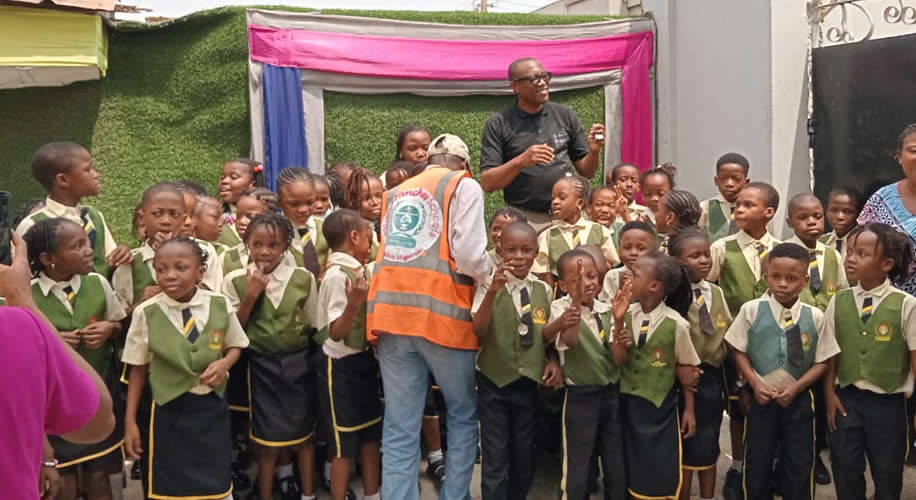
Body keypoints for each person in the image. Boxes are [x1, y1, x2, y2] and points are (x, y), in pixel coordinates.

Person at [367, 133, 491, 500]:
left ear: (428, 162)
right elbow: (468, 255)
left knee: (400, 424)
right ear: (464, 165)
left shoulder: (395, 192)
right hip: (444, 320)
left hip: (391, 317)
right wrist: (488, 274)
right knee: (462, 414)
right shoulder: (464, 185)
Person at [122, 236, 247, 500]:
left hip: (211, 410)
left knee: (215, 484)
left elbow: (236, 345)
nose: (169, 275)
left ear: (200, 272)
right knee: (170, 486)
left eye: (180, 267)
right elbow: (138, 369)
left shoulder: (219, 304)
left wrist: (224, 363)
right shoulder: (146, 312)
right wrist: (130, 421)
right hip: (168, 413)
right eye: (161, 269)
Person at [0, 231, 116, 500]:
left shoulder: (96, 284)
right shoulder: (16, 325)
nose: (89, 250)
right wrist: (23, 301)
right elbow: (98, 420)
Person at [725, 243, 839, 500]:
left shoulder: (815, 316)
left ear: (805, 281)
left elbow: (823, 360)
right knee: (757, 462)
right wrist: (755, 383)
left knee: (800, 462)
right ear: (766, 277)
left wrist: (797, 387)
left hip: (799, 399)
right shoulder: (751, 310)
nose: (783, 284)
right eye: (776, 277)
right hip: (761, 399)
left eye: (791, 278)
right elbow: (737, 348)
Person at [24, 218, 128, 500]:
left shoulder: (97, 283)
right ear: (49, 259)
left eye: (87, 242)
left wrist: (110, 328)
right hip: (54, 408)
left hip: (98, 398)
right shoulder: (26, 295)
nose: (89, 250)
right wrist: (50, 341)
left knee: (100, 480)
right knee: (63, 485)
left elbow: (120, 324)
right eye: (77, 246)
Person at [221, 213, 319, 500]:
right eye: (257, 244)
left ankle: (309, 494)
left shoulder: (302, 278)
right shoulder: (235, 280)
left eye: (273, 245)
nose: (265, 251)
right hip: (260, 368)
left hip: (298, 365)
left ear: (286, 246)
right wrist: (251, 295)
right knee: (266, 441)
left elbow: (314, 323)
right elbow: (233, 330)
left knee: (304, 436)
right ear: (247, 244)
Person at [824, 223, 916, 500]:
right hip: (845, 399)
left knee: (887, 473)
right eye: (850, 251)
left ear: (886, 264)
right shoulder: (838, 301)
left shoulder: (906, 304)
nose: (850, 258)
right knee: (845, 468)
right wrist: (829, 394)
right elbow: (830, 353)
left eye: (862, 254)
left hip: (888, 404)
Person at [707, 181, 781, 499]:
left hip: (773, 345)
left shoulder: (781, 249)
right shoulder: (722, 248)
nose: (739, 209)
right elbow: (707, 293)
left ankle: (768, 466)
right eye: (737, 204)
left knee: (772, 405)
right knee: (738, 408)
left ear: (769, 212)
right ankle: (737, 467)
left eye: (749, 204)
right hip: (734, 346)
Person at [473, 222, 556, 500]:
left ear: (536, 252)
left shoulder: (543, 290)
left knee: (524, 451)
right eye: (511, 250)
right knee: (495, 452)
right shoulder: (487, 284)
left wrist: (552, 360)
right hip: (493, 382)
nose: (519, 256)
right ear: (500, 249)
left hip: (528, 383)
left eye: (526, 250)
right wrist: (493, 292)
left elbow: (545, 337)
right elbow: (479, 329)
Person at [611, 250, 701, 500]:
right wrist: (618, 323)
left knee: (659, 465)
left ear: (654, 286)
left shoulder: (677, 324)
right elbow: (618, 360)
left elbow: (687, 369)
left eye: (635, 274)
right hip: (627, 403)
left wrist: (689, 410)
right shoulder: (625, 313)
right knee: (630, 462)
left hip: (659, 408)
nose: (627, 276)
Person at [480, 57, 606, 232]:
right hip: (527, 220)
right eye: (533, 78)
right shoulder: (499, 123)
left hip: (569, 217)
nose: (542, 83)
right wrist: (521, 161)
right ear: (515, 86)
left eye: (545, 76)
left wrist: (594, 151)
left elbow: (588, 172)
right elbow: (487, 183)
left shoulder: (565, 115)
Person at [546, 249, 626, 500]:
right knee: (577, 464)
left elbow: (618, 359)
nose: (587, 284)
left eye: (591, 276)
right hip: (580, 397)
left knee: (615, 462)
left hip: (611, 395)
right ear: (562, 286)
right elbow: (569, 341)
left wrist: (620, 323)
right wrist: (576, 303)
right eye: (577, 280)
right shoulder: (559, 308)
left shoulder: (608, 309)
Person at [315, 209, 382, 500]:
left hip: (362, 362)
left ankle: (372, 494)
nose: (371, 244)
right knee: (343, 444)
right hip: (339, 368)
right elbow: (336, 332)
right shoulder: (335, 276)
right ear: (354, 237)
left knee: (370, 435)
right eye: (369, 238)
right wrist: (355, 302)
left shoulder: (358, 271)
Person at [668, 229, 732, 500]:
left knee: (708, 442)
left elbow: (727, 332)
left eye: (706, 254)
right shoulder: (672, 296)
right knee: (684, 446)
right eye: (695, 256)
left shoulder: (715, 292)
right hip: (679, 380)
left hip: (711, 379)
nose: (704, 260)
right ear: (677, 262)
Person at [16, 141, 133, 275]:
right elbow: (21, 276)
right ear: (63, 180)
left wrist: (120, 257)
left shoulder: (94, 216)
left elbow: (108, 263)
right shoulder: (33, 224)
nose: (96, 175)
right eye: (87, 170)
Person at [857, 123, 916, 294]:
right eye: (914, 150)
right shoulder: (881, 200)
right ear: (899, 156)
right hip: (886, 302)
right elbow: (859, 251)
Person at [533, 176, 619, 289]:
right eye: (553, 198)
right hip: (562, 293)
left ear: (579, 203)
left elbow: (610, 264)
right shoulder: (548, 235)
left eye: (562, 197)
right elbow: (545, 271)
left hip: (594, 291)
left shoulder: (600, 231)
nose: (555, 202)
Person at [785, 193, 848, 311]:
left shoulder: (833, 255)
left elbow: (842, 294)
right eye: (803, 217)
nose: (811, 222)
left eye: (817, 216)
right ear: (790, 222)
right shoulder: (781, 253)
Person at [277, 167, 329, 278]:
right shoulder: (273, 232)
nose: (303, 209)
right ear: (279, 202)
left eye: (310, 202)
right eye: (294, 204)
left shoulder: (326, 228)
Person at [598, 221, 656, 303]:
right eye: (627, 247)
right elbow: (605, 307)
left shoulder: (657, 277)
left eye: (641, 248)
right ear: (619, 252)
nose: (633, 253)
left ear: (653, 252)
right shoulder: (613, 276)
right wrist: (621, 289)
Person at [699, 153, 750, 243]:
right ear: (716, 181)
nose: (729, 184)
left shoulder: (754, 208)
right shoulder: (705, 208)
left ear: (746, 182)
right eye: (723, 178)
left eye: (736, 178)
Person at [217, 157, 266, 248]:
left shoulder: (271, 221)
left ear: (252, 184)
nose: (224, 181)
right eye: (222, 177)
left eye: (233, 177)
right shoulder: (214, 219)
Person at [343, 167, 384, 260]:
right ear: (353, 200)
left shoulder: (382, 222)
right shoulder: (354, 230)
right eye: (366, 198)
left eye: (379, 196)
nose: (374, 202)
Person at [819, 186, 862, 263]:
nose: (840, 217)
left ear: (858, 214)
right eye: (834, 210)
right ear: (826, 212)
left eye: (848, 211)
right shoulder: (820, 242)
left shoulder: (864, 244)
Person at [606, 163, 649, 227]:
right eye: (623, 180)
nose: (629, 184)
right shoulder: (603, 210)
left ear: (638, 187)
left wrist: (625, 214)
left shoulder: (645, 214)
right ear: (613, 184)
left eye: (634, 181)